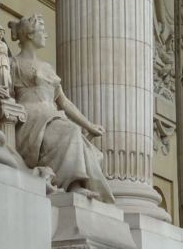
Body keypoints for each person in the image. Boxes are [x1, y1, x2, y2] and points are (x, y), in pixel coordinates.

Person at [7, 14, 114, 203]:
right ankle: (74, 185)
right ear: (30, 35)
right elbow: (5, 94)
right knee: (71, 131)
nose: (46, 35)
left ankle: (77, 185)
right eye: (42, 30)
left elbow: (64, 102)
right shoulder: (13, 64)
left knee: (79, 140)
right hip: (30, 119)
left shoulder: (47, 67)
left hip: (52, 118)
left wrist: (89, 126)